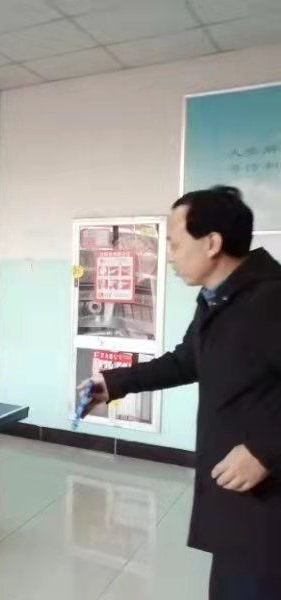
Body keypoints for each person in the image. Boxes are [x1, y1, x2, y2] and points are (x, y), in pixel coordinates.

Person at [79, 186, 280, 600]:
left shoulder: (271, 298)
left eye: (173, 242)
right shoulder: (217, 300)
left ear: (211, 243)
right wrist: (111, 384)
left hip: (270, 503)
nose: (168, 255)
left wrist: (265, 449)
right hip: (237, 496)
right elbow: (186, 361)